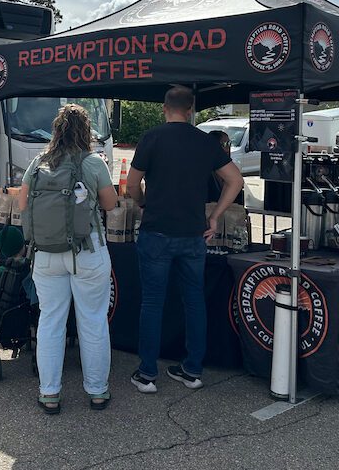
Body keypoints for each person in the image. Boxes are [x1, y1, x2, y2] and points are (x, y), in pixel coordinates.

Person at [126, 86, 243, 393]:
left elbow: (132, 185)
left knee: (152, 302)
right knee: (194, 301)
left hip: (156, 232)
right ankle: (192, 371)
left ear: (165, 108)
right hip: (193, 235)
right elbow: (236, 179)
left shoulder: (151, 138)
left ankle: (148, 374)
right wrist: (216, 214)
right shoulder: (204, 142)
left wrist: (141, 202)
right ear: (191, 110)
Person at [16, 104, 118, 414]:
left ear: (56, 131)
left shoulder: (38, 162)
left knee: (51, 321)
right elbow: (111, 204)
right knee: (93, 321)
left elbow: (22, 205)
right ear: (86, 132)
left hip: (47, 254)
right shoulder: (94, 162)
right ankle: (97, 392)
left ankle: (50, 394)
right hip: (88, 252)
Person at [207, 130, 245, 206]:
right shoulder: (206, 171)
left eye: (229, 143)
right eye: (224, 144)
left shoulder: (231, 169)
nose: (228, 148)